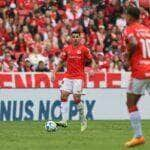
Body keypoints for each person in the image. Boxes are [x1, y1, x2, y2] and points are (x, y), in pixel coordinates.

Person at [52, 31, 97, 132]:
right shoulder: (67, 49)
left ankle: (83, 120)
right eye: (74, 37)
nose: (76, 38)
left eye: (77, 37)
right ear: (71, 38)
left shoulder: (84, 49)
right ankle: (64, 120)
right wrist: (54, 72)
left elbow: (92, 60)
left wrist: (93, 69)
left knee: (76, 99)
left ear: (80, 38)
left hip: (78, 77)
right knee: (63, 95)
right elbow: (61, 62)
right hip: (68, 76)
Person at [123, 6, 150, 147]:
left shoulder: (130, 29)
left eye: (125, 15)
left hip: (140, 71)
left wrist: (127, 56)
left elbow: (133, 43)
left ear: (130, 16)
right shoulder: (147, 30)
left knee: (131, 103)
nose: (124, 18)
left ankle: (138, 136)